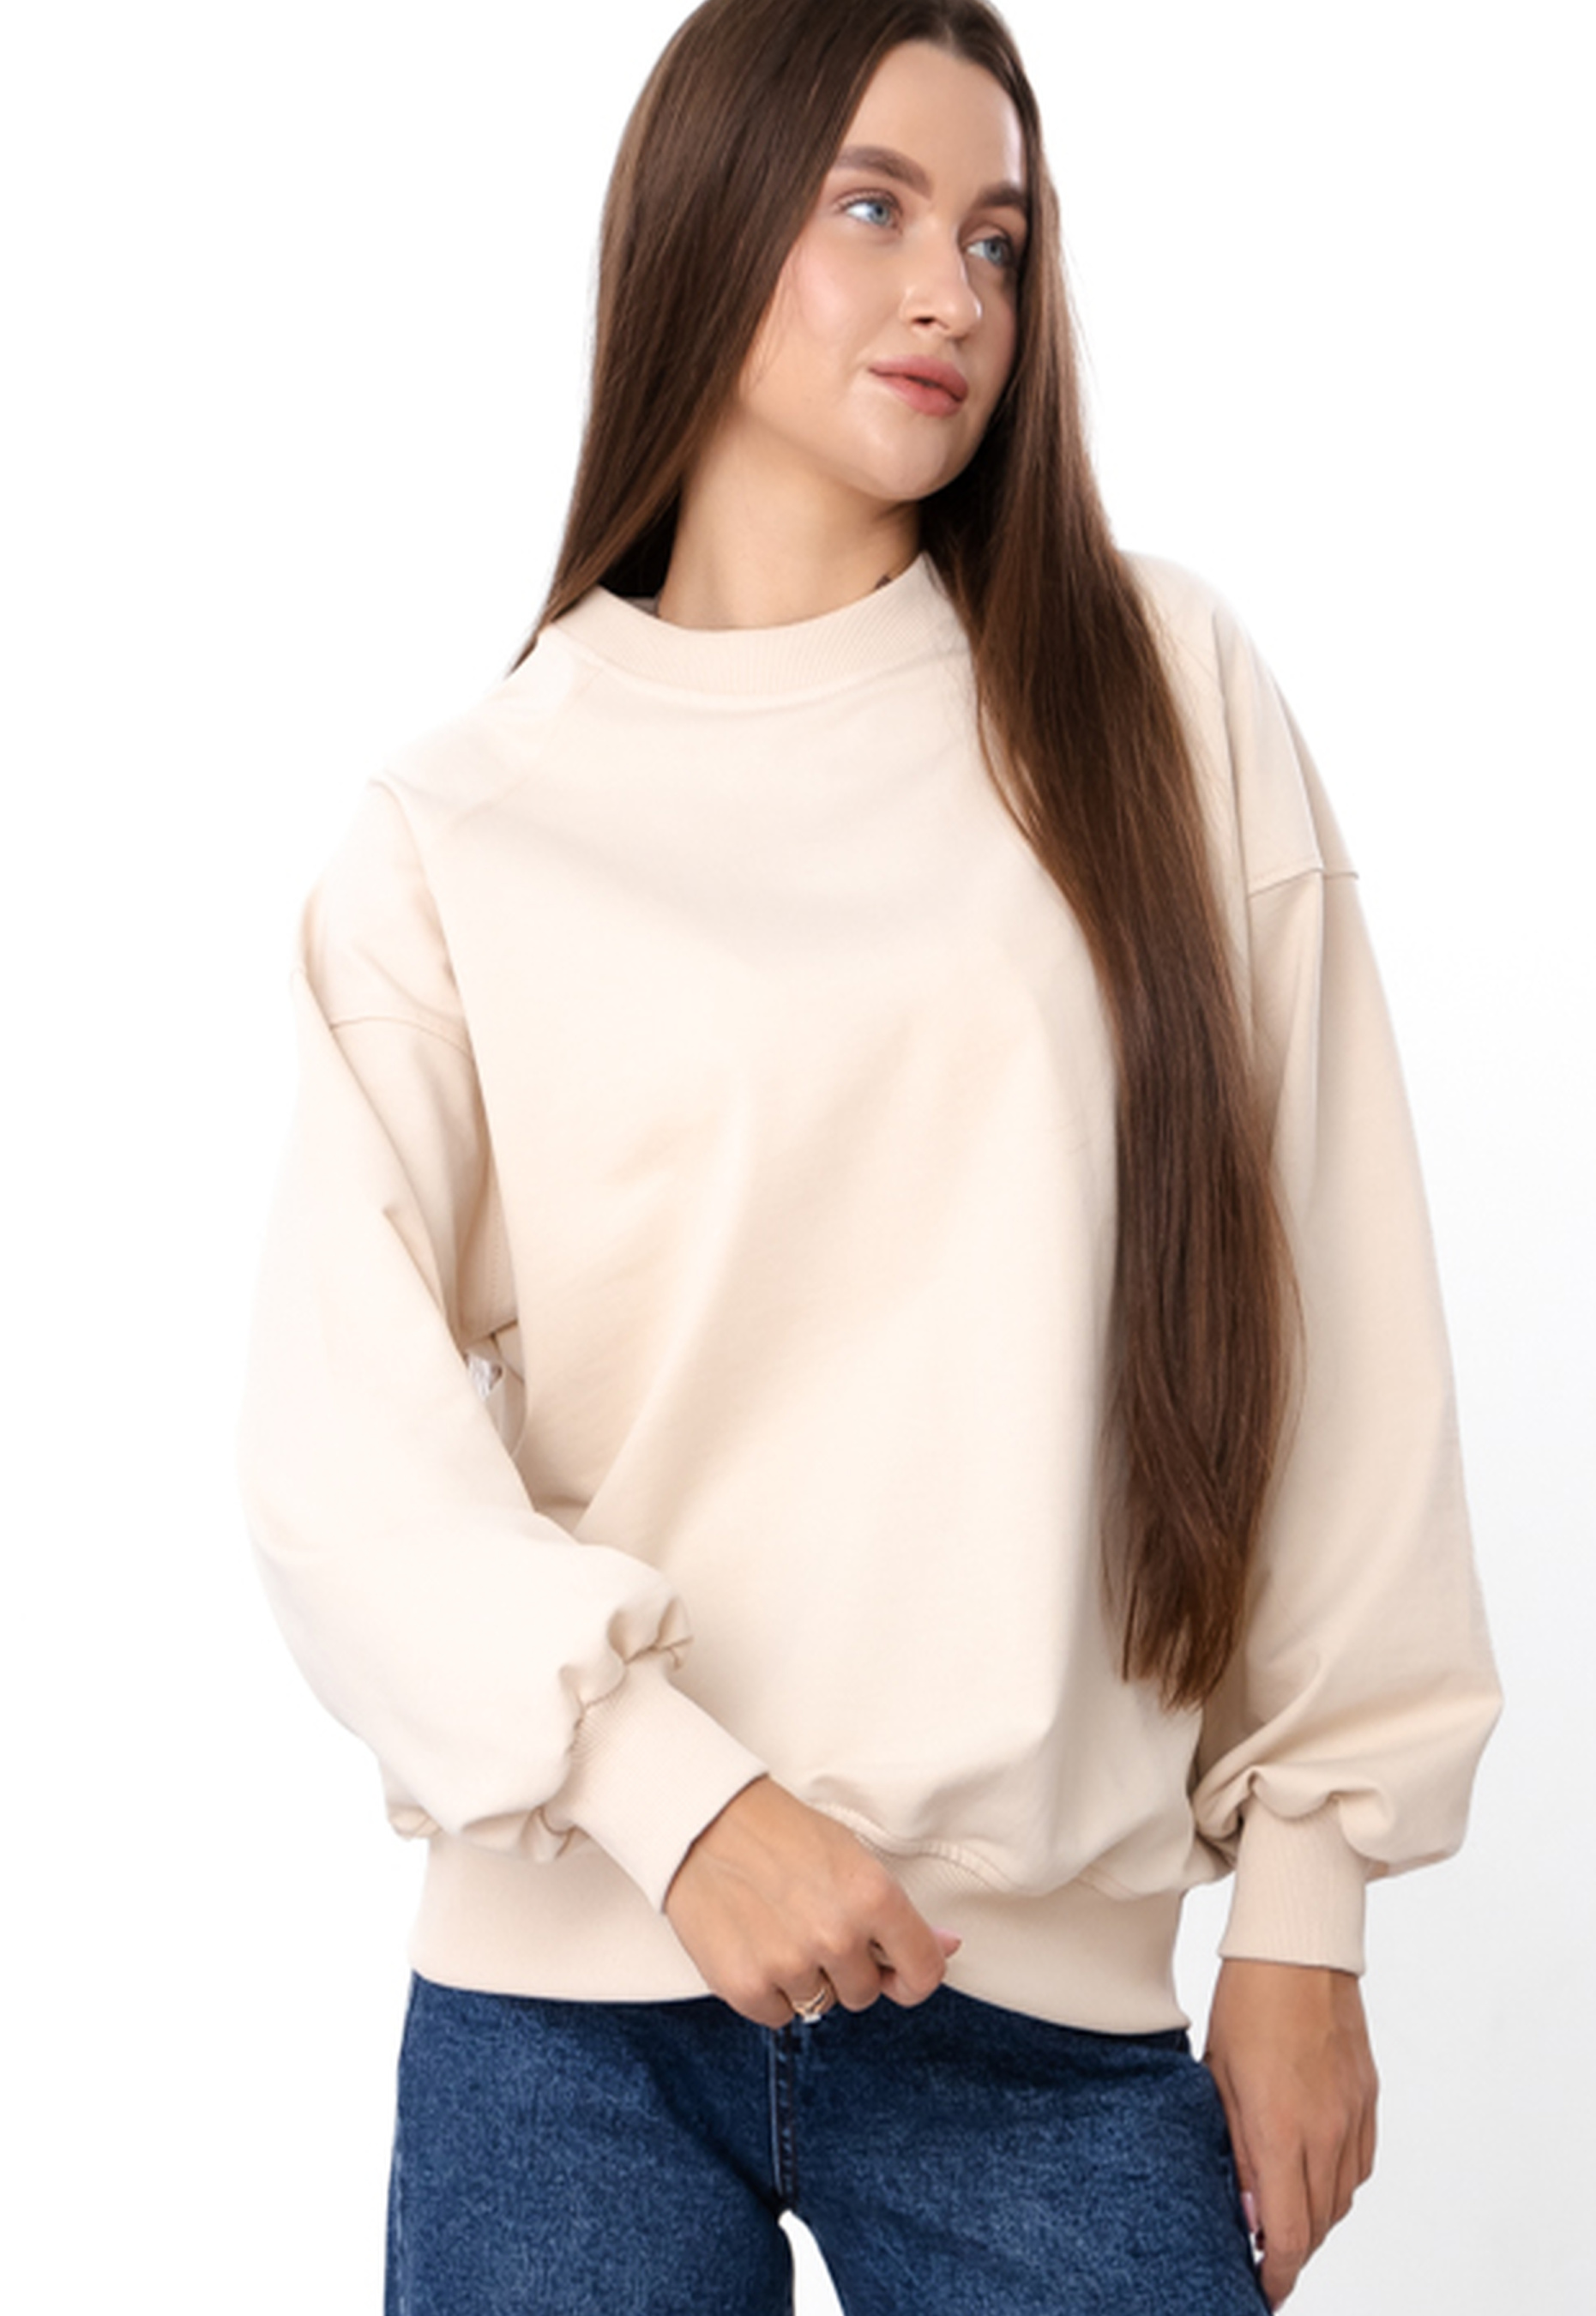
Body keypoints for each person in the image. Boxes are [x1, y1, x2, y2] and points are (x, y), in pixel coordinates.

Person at [238, 1, 1500, 2309]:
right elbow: (344, 1440)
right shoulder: (467, 825)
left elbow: (1335, 1305)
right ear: (706, 226)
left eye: (998, 239)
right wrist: (675, 1799)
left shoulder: (1154, 696)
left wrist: (1306, 1907)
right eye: (873, 208)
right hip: (568, 2022)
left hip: (1040, 2021)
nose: (953, 294)